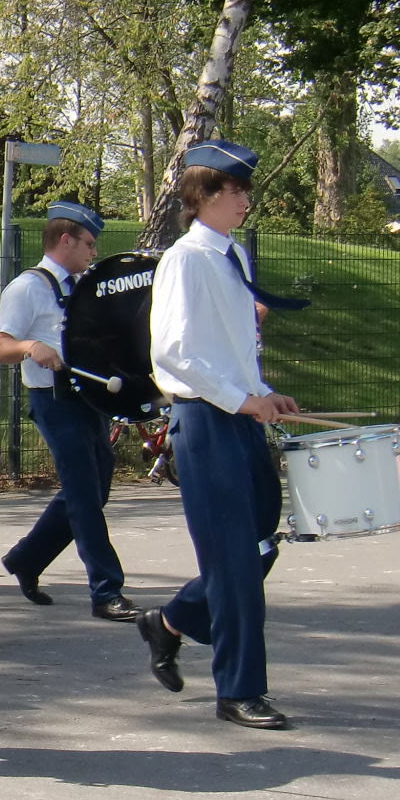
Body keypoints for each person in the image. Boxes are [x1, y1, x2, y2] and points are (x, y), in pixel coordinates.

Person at [139, 141, 305, 729]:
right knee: (235, 561)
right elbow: (174, 354)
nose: (244, 201)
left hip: (238, 417)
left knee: (260, 544)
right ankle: (239, 690)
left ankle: (171, 621)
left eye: (244, 192)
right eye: (234, 191)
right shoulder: (186, 260)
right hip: (206, 422)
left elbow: (231, 350)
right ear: (203, 196)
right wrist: (242, 400)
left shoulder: (232, 256)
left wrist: (263, 392)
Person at [0, 200, 137, 623]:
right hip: (54, 401)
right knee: (84, 496)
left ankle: (26, 558)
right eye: (88, 243)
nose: (94, 251)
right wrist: (30, 347)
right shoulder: (27, 288)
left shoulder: (85, 285)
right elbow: (0, 347)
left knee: (94, 490)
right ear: (65, 240)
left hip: (89, 398)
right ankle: (106, 589)